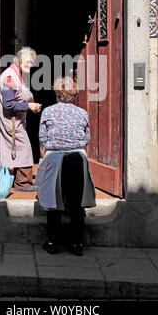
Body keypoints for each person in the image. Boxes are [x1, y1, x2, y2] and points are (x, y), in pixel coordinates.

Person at [36, 77, 96, 256]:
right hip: (77, 158)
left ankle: (53, 242)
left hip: (54, 158)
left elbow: (43, 138)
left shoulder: (48, 112)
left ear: (57, 94)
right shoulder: (82, 113)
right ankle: (77, 244)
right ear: (74, 95)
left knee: (54, 202)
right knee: (76, 203)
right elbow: (86, 138)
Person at [0, 47, 41, 192]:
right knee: (24, 148)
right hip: (11, 122)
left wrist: (30, 105)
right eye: (28, 62)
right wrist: (28, 105)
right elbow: (8, 103)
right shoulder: (9, 77)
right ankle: (22, 184)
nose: (31, 65)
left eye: (32, 62)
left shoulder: (17, 75)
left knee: (21, 148)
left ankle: (21, 182)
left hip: (16, 121)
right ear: (18, 61)